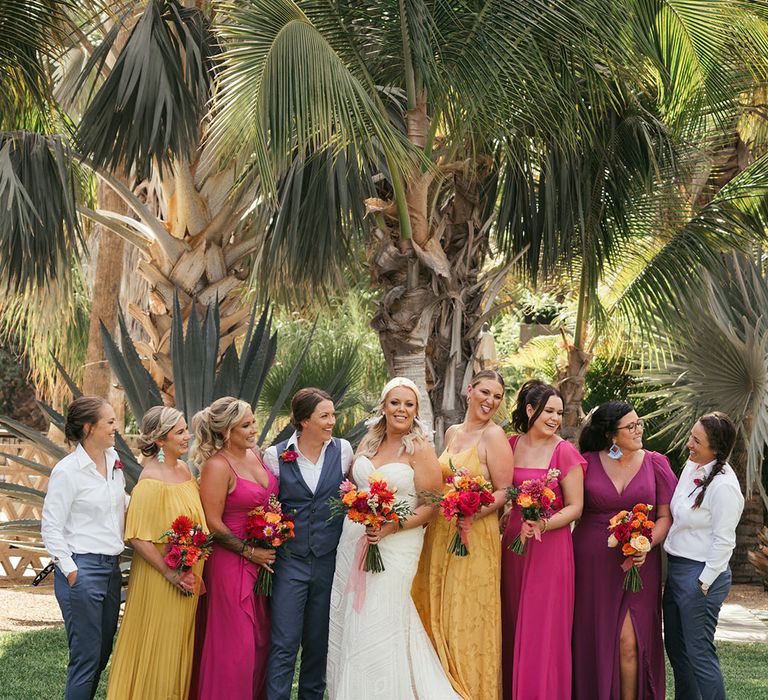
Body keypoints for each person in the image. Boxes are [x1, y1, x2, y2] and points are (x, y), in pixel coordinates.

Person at [326, 377, 460, 699]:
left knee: (381, 617)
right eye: (395, 402)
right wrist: (361, 511)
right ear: (383, 406)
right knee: (352, 616)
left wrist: (391, 526)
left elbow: (431, 506)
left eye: (409, 404)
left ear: (416, 411)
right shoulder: (367, 444)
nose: (401, 409)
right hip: (355, 540)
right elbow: (354, 488)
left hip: (397, 544)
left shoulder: (419, 448)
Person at [412, 369, 513, 700]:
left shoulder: (495, 436)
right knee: (438, 606)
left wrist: (469, 512)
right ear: (469, 391)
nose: (490, 401)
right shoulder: (453, 431)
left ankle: (470, 690)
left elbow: (504, 492)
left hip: (474, 536)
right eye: (485, 392)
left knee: (465, 613)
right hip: (442, 532)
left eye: (497, 397)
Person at [572, 401, 677, 700]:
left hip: (639, 562)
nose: (638, 429)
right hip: (592, 564)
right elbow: (571, 506)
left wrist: (645, 544)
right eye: (630, 426)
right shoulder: (586, 462)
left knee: (630, 644)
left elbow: (665, 516)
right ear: (610, 435)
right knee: (596, 639)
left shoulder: (656, 462)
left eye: (639, 423)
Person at [106, 406, 206, 700]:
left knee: (178, 643)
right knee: (160, 642)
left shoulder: (184, 470)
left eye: (186, 429)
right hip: (161, 579)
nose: (187, 436)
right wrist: (170, 573)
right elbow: (136, 536)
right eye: (179, 432)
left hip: (188, 575)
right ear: (160, 441)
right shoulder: (150, 481)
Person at [262, 388, 353, 700]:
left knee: (318, 642)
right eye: (324, 416)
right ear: (303, 421)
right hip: (291, 562)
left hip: (329, 561)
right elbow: (269, 507)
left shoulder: (343, 451)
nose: (332, 421)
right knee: (284, 642)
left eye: (332, 414)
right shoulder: (274, 457)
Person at [500, 380, 585, 700]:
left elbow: (576, 507)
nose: (555, 418)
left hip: (549, 548)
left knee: (542, 628)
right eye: (549, 411)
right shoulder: (509, 444)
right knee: (513, 618)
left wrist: (543, 523)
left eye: (560, 412)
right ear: (530, 409)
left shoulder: (565, 451)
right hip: (514, 545)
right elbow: (504, 493)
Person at [41, 396, 126, 700]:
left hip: (111, 571)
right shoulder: (67, 471)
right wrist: (72, 570)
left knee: (102, 654)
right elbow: (50, 525)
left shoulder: (114, 460)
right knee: (86, 658)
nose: (117, 427)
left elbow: (122, 504)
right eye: (111, 422)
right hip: (83, 571)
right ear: (90, 427)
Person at [193, 397, 278, 700]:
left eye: (253, 421)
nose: (254, 429)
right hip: (231, 566)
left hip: (261, 564)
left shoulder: (255, 454)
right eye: (246, 425)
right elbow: (212, 523)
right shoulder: (217, 466)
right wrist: (249, 551)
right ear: (227, 431)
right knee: (235, 649)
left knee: (259, 643)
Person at [663, 412, 744, 700]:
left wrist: (703, 583)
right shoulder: (692, 466)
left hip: (701, 575)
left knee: (699, 653)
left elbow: (724, 542)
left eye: (697, 440)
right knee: (676, 647)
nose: (689, 444)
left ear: (716, 449)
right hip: (676, 569)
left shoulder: (725, 487)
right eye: (691, 436)